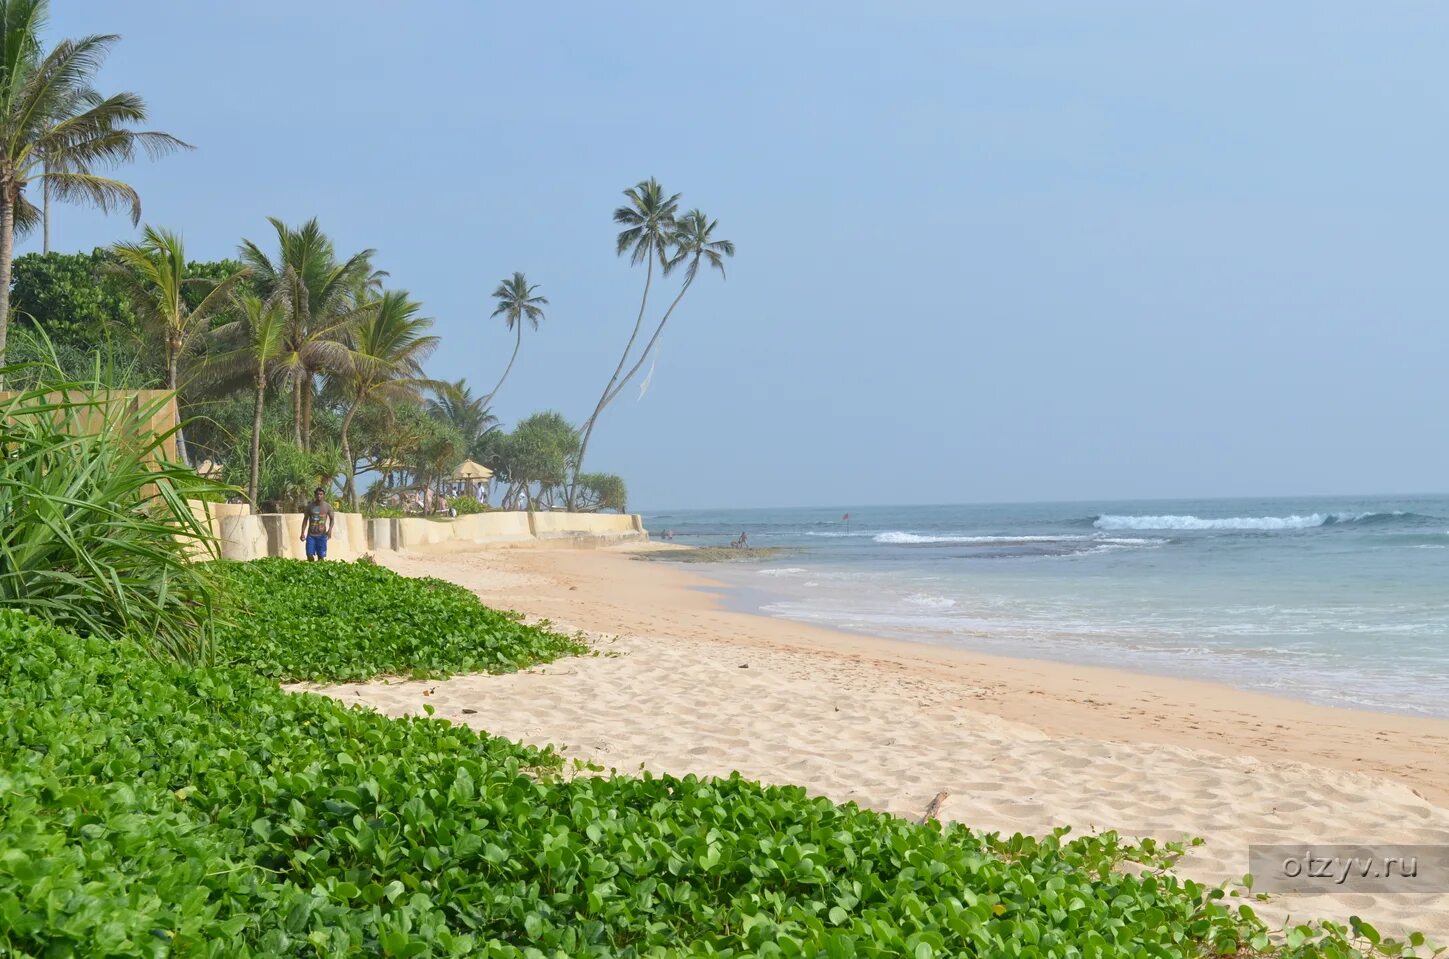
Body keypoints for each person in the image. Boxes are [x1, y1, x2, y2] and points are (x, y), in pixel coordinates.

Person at [301, 487, 334, 561]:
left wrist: (330, 530)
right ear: (315, 495)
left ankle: (319, 571)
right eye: (317, 494)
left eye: (321, 494)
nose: (319, 495)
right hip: (311, 536)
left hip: (322, 536)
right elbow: (305, 520)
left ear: (323, 495)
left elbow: (332, 519)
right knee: (309, 555)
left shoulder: (327, 507)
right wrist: (302, 533)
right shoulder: (310, 506)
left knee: (321, 557)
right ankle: (312, 570)